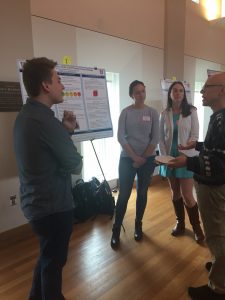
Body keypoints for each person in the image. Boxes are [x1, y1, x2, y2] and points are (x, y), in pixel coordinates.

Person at [13, 57, 83, 300]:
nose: (62, 85)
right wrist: (65, 135)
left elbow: (44, 157)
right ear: (46, 85)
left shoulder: (26, 115)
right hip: (52, 208)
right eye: (58, 79)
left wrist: (64, 132)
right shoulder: (45, 121)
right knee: (53, 265)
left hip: (36, 205)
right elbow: (76, 165)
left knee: (46, 257)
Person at [168, 73, 225, 299]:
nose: (201, 92)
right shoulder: (218, 117)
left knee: (217, 236)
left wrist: (189, 160)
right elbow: (217, 150)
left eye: (206, 88)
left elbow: (221, 163)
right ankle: (220, 268)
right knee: (218, 233)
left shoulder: (222, 119)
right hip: (211, 186)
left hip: (214, 188)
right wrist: (199, 145)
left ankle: (218, 288)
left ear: (221, 90)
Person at [110, 80, 159, 249]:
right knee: (123, 195)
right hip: (127, 158)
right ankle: (116, 229)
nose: (141, 94)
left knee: (142, 192)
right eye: (137, 92)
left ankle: (138, 225)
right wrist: (134, 157)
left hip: (147, 159)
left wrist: (143, 158)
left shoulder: (153, 113)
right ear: (131, 95)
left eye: (143, 91)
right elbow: (121, 137)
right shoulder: (125, 112)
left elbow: (155, 138)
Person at [158, 81, 204, 243]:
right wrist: (164, 157)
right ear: (170, 94)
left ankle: (197, 227)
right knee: (175, 192)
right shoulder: (164, 113)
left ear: (184, 94)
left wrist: (186, 149)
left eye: (181, 91)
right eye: (175, 91)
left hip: (186, 158)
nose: (178, 93)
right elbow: (160, 139)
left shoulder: (192, 111)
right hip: (170, 157)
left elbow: (195, 135)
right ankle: (180, 223)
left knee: (187, 195)